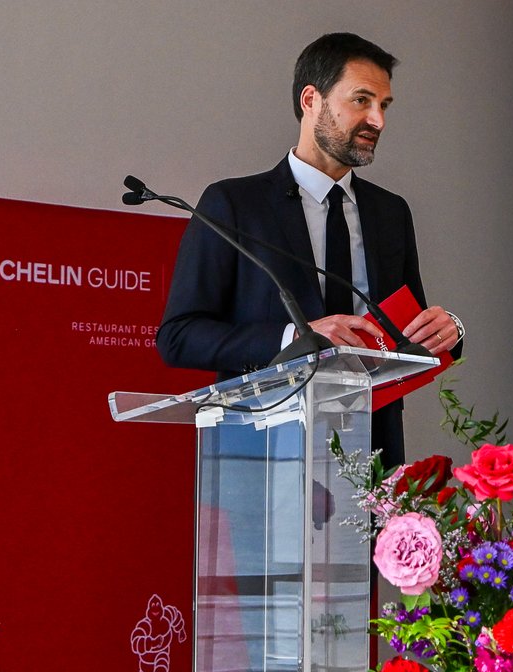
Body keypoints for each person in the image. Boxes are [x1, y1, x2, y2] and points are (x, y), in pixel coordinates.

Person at [157, 32, 463, 468]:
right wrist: (297, 338)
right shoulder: (234, 205)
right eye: (362, 100)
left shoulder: (390, 213)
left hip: (374, 458)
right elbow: (178, 337)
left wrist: (448, 331)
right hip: (266, 456)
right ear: (310, 100)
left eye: (385, 105)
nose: (377, 119)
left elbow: (407, 331)